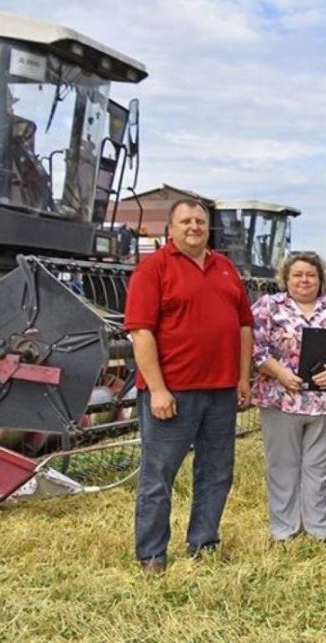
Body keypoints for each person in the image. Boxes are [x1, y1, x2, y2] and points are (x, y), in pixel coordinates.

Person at [124, 199, 253, 575]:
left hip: (221, 391)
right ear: (171, 228)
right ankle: (152, 554)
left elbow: (244, 326)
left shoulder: (225, 267)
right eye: (186, 221)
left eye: (200, 220)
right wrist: (157, 389)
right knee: (159, 475)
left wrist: (242, 377)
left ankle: (204, 543)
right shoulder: (153, 268)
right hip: (173, 393)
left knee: (216, 472)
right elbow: (141, 332)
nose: (194, 226)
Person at [251, 252, 326, 542]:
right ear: (286, 278)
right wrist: (280, 372)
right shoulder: (268, 306)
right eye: (297, 274)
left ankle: (319, 529)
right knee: (283, 466)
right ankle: (284, 530)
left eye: (311, 275)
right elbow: (255, 348)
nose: (304, 280)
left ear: (321, 279)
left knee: (320, 468)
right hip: (281, 399)